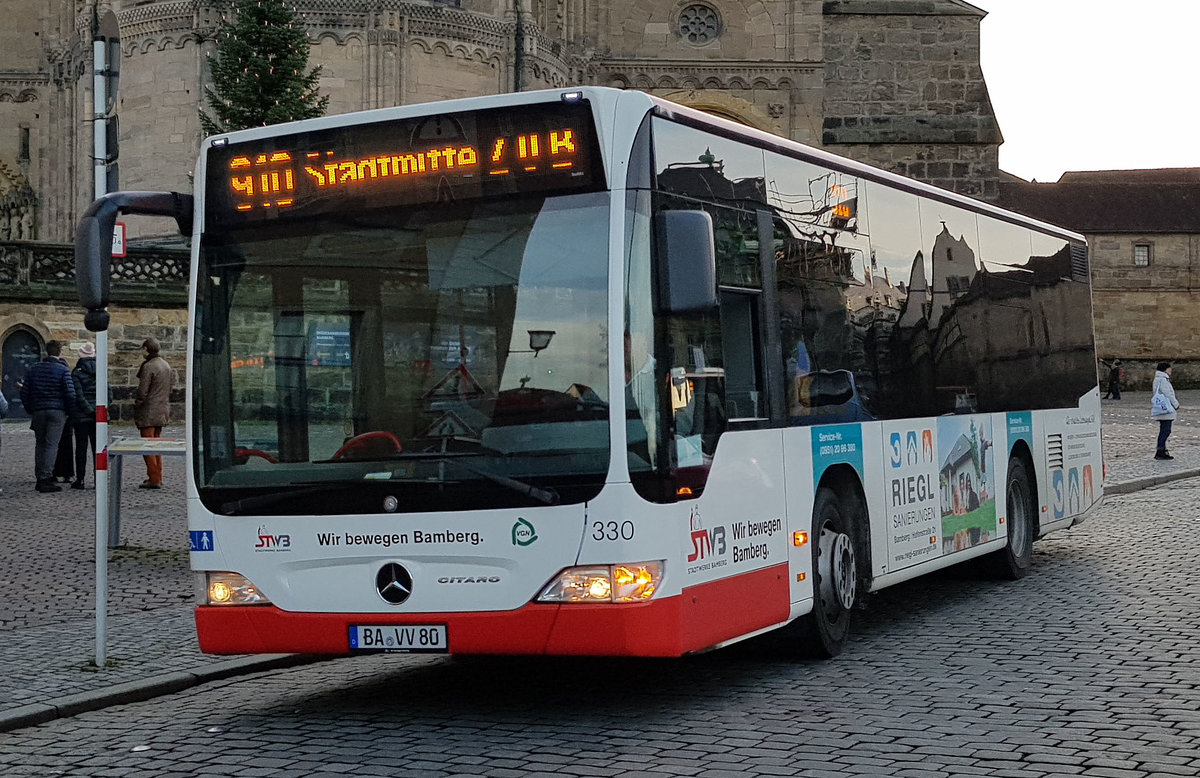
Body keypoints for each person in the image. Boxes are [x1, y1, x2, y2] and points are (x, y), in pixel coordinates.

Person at [19, 340, 76, 492]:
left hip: (38, 410)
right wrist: (69, 412)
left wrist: (31, 408)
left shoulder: (33, 369)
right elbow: (70, 393)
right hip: (57, 411)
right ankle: (45, 477)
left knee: (40, 444)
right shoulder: (63, 370)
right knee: (51, 444)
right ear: (60, 352)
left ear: (46, 352)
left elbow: (24, 391)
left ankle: (40, 476)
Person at [133, 337, 172, 489]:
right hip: (162, 409)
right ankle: (157, 475)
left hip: (149, 410)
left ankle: (154, 478)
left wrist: (137, 404)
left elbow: (142, 391)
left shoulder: (149, 366)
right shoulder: (165, 365)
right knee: (156, 444)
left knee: (147, 445)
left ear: (146, 349)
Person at [69, 342, 100, 489]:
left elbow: (78, 396)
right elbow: (108, 393)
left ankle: (80, 479)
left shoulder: (77, 373)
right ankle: (98, 480)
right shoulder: (101, 370)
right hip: (98, 416)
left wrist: (88, 410)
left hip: (81, 416)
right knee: (98, 449)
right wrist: (99, 410)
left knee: (81, 448)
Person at [1151, 362, 1179, 460]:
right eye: (1169, 369)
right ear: (1165, 369)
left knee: (1164, 429)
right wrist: (1176, 404)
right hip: (1166, 408)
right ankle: (1160, 450)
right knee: (1166, 430)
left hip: (1162, 408)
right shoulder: (1163, 380)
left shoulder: (1159, 379)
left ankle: (1162, 449)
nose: (1170, 370)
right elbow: (1168, 394)